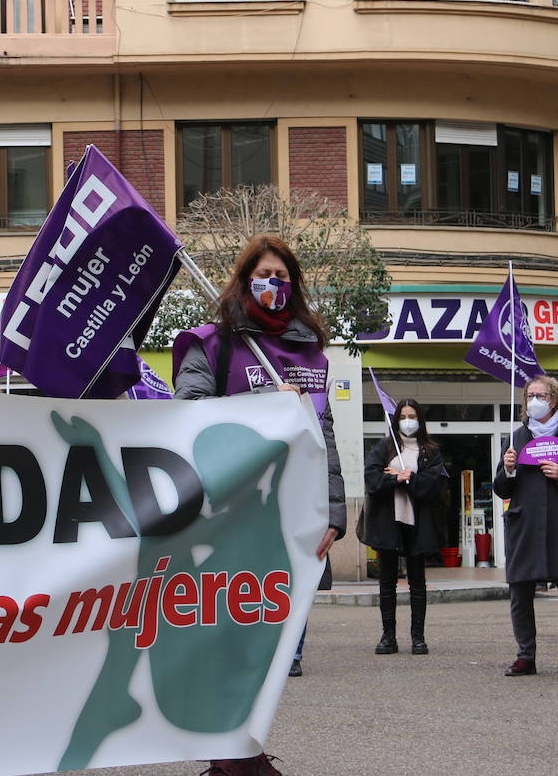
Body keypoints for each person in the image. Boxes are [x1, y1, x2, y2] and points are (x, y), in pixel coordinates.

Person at [172, 234, 344, 776]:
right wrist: (262, 408)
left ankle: (235, 754)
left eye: (283, 277)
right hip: (226, 514)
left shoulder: (310, 351)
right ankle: (234, 757)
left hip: (289, 520)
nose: (274, 286)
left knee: (264, 643)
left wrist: (335, 512)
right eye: (263, 276)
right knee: (222, 636)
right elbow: (189, 414)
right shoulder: (214, 344)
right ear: (245, 281)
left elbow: (326, 436)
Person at [495, 375, 558, 678]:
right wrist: (510, 470)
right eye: (529, 396)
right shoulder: (516, 438)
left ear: (554, 400)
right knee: (521, 594)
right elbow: (502, 488)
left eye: (540, 396)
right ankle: (525, 656)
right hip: (524, 525)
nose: (534, 402)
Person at [361, 398, 447, 655]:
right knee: (386, 581)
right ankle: (388, 637)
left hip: (418, 523)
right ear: (396, 419)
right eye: (403, 416)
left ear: (420, 419)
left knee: (417, 581)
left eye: (412, 416)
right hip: (388, 521)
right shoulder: (383, 447)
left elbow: (433, 486)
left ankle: (418, 637)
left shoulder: (431, 451)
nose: (408, 421)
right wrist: (396, 479)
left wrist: (406, 477)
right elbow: (372, 480)